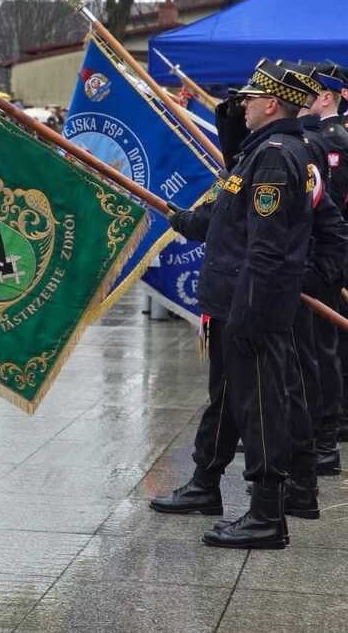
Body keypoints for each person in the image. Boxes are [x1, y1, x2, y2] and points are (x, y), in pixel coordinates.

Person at [151, 59, 316, 549]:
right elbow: (228, 217)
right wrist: (185, 220)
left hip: (251, 305)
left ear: (272, 104)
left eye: (249, 99)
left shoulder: (276, 157)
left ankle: (267, 515)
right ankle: (207, 485)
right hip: (230, 300)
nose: (241, 106)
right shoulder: (256, 152)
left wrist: (249, 307)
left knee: (261, 406)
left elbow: (266, 245)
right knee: (227, 398)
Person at [295, 61, 348, 476]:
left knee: (323, 348)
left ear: (325, 97)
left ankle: (327, 436)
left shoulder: (332, 140)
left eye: (308, 94)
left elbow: (332, 207)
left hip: (328, 256)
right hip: (323, 254)